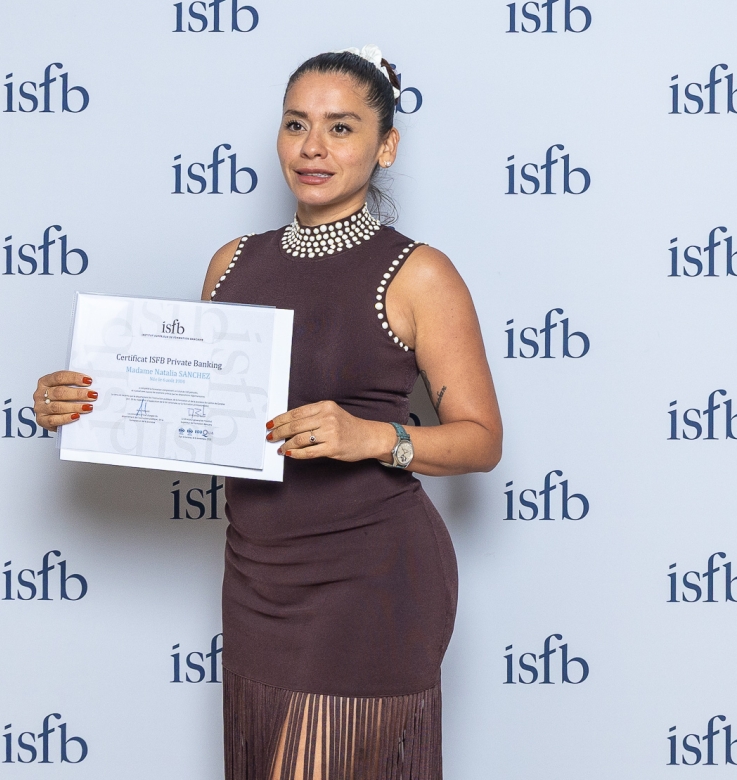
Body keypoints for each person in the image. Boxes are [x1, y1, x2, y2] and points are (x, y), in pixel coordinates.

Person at [34, 46, 502, 780]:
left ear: (386, 147)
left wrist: (372, 436)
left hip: (372, 578)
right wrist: (84, 403)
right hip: (257, 578)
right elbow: (195, 408)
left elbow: (482, 441)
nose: (313, 146)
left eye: (341, 128)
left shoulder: (419, 273)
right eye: (296, 124)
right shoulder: (231, 262)